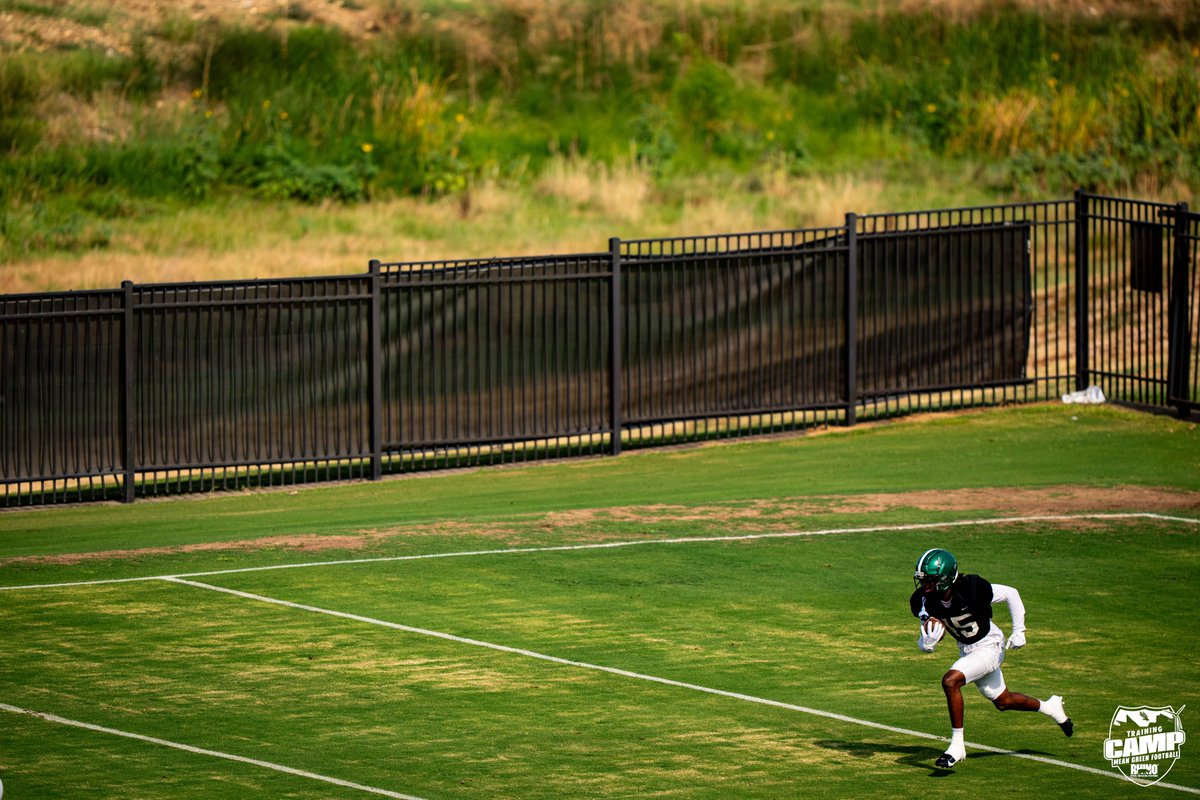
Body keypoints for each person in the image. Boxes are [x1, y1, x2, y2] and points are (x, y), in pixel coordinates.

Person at [910, 548, 1073, 769]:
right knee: (1003, 702)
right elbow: (928, 636)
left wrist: (1019, 630)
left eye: (930, 580)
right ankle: (1050, 707)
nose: (925, 585)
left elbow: (1010, 593)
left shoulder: (971, 588)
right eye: (923, 579)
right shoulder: (923, 600)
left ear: (946, 578)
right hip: (967, 650)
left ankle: (957, 746)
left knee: (951, 680)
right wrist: (926, 643)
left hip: (990, 645)